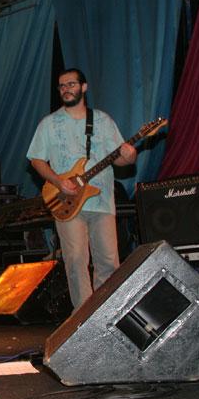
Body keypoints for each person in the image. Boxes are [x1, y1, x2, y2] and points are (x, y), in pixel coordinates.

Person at [26, 68, 136, 309]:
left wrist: (129, 157)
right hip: (66, 200)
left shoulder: (103, 121)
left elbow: (119, 158)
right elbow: (36, 160)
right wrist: (58, 181)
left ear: (83, 87)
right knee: (76, 260)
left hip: (101, 201)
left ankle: (107, 312)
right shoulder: (49, 124)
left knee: (108, 261)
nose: (66, 89)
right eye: (62, 86)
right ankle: (84, 316)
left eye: (71, 84)